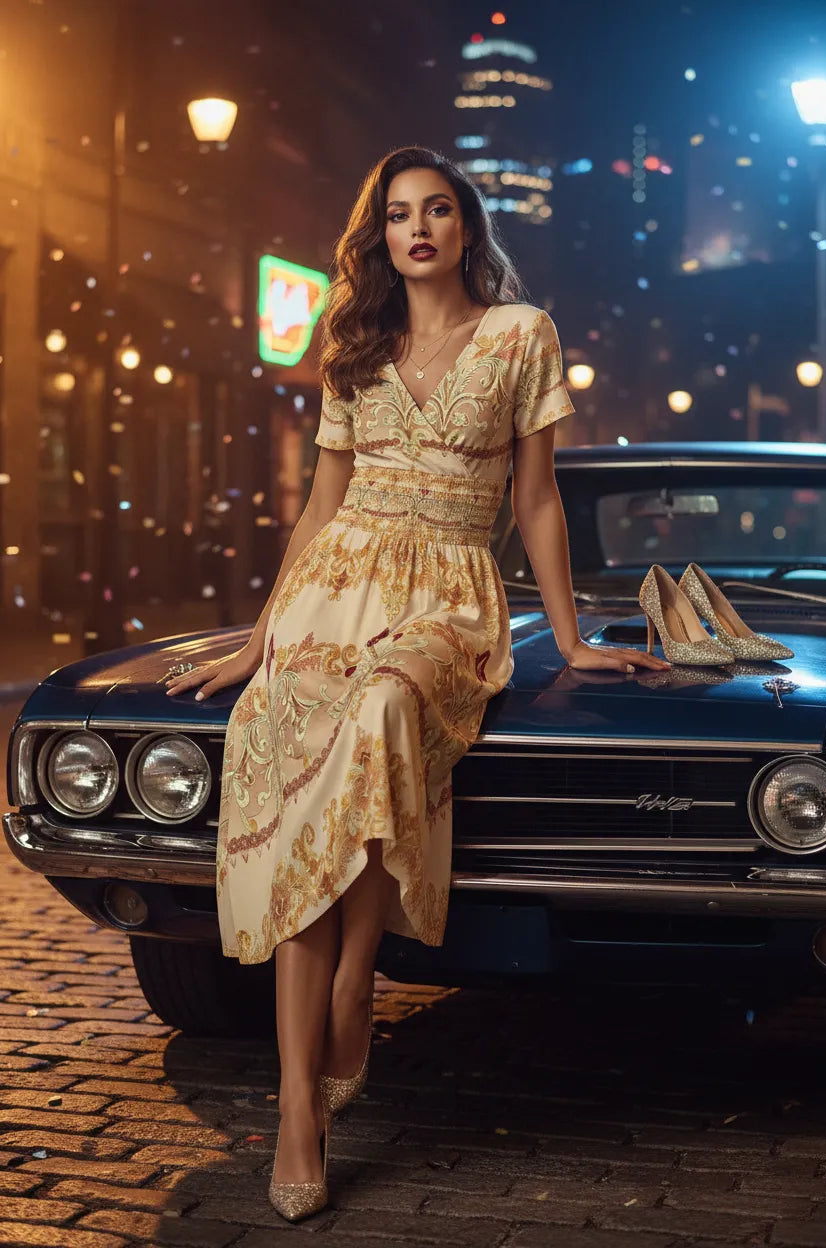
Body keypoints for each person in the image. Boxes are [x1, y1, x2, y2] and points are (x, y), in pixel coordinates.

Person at [165, 144, 670, 1221]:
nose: (418, 229)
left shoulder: (521, 334)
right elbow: (320, 504)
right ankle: (297, 1106)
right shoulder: (353, 343)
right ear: (381, 235)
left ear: (467, 227)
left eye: (437, 210)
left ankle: (359, 979)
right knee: (294, 787)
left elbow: (536, 499)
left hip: (447, 593)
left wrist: (572, 640)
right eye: (398, 215)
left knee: (386, 706)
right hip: (332, 587)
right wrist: (261, 636)